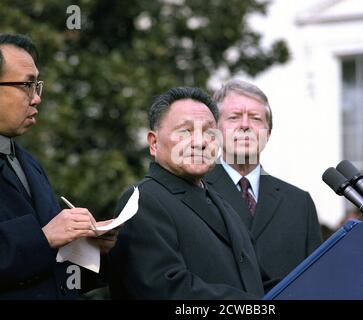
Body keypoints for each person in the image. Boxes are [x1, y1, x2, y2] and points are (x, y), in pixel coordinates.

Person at [109, 87, 264, 299]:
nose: (200, 142)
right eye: (185, 131)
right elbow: (166, 291)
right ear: (154, 143)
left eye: (210, 132)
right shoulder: (142, 201)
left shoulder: (222, 202)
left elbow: (255, 281)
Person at [0, 33, 118, 299]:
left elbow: (51, 268)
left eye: (37, 85)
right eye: (26, 85)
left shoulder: (27, 162)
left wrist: (90, 248)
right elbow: (42, 242)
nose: (36, 98)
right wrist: (43, 237)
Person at [205, 79, 322, 290]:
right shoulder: (195, 192)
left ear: (267, 134)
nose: (245, 125)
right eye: (234, 117)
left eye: (256, 118)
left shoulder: (299, 203)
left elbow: (316, 281)